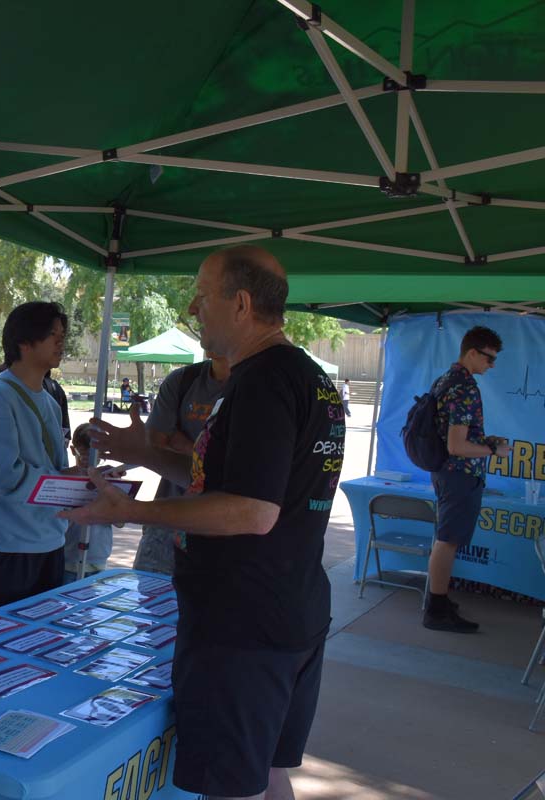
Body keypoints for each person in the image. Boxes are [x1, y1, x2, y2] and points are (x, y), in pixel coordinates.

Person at [69, 245, 343, 800]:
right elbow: (230, 480)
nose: (193, 308)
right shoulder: (305, 376)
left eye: (202, 293)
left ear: (240, 304)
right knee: (265, 770)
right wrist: (144, 453)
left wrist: (132, 510)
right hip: (290, 608)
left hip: (243, 624)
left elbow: (252, 510)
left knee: (231, 786)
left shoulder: (262, 382)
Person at [0, 301, 79, 617]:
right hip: (6, 549)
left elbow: (51, 469)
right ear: (24, 343)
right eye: (52, 334)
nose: (61, 342)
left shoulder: (50, 401)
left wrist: (81, 481)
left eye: (62, 334)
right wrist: (63, 483)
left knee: (42, 650)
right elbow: (0, 476)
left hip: (48, 542)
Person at [424, 325, 510, 633]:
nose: (491, 365)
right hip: (459, 475)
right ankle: (435, 609)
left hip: (447, 474)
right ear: (472, 352)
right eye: (489, 358)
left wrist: (486, 440)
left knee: (445, 539)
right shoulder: (464, 386)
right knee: (447, 542)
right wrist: (492, 449)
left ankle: (439, 599)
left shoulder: (445, 380)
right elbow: (457, 446)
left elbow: (455, 436)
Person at [134, 354, 229, 575]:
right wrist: (206, 450)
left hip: (222, 528)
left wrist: (183, 443)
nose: (196, 317)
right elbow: (156, 441)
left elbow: (237, 462)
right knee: (149, 599)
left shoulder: (258, 388)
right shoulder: (183, 379)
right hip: (167, 520)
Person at [62, 423, 113, 582]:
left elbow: (120, 521)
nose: (88, 462)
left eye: (94, 456)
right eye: (83, 455)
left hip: (98, 558)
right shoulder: (65, 479)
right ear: (73, 450)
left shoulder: (109, 479)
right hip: (69, 558)